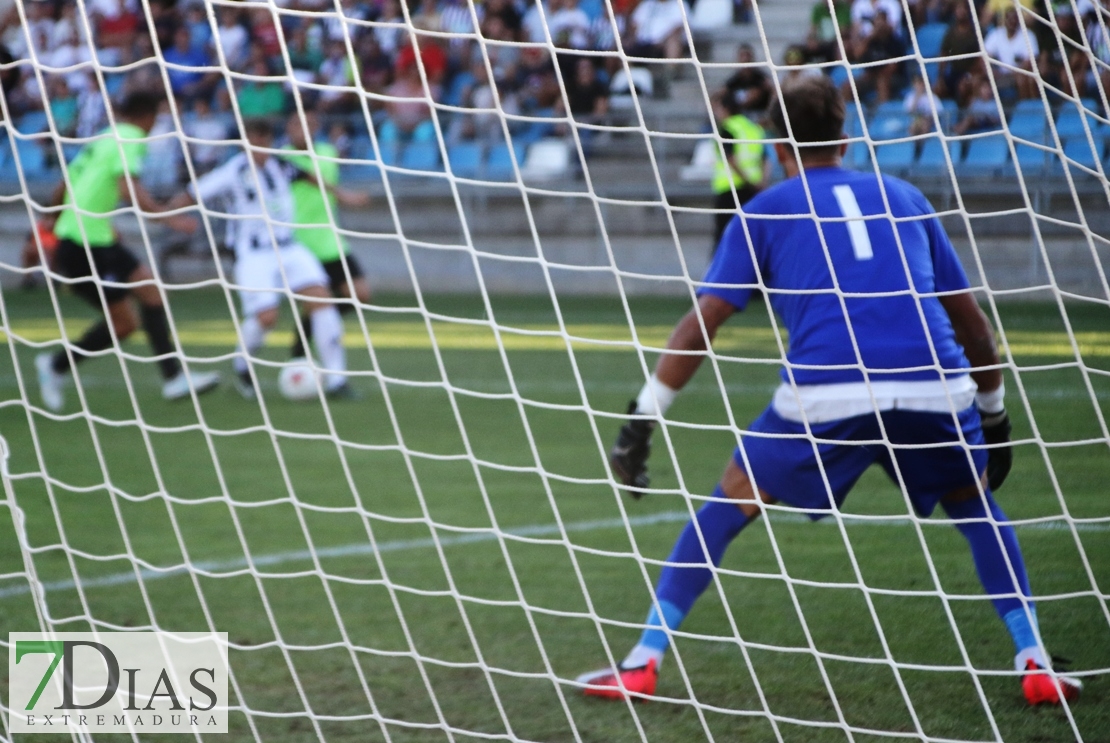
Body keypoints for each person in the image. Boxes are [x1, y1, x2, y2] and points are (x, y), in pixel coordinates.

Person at [576, 75, 1082, 709]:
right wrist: (994, 418)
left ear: (779, 146)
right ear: (846, 139)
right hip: (935, 383)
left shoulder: (761, 209)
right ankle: (1033, 659)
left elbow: (700, 324)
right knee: (976, 507)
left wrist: (640, 421)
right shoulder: (905, 195)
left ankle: (642, 662)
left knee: (728, 505)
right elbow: (974, 326)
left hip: (827, 389)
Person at [34, 91, 220, 412]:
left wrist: (54, 217)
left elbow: (64, 183)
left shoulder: (105, 137)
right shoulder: (131, 137)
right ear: (148, 117)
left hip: (94, 238)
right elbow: (127, 187)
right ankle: (54, 365)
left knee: (151, 293)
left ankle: (174, 377)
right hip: (84, 246)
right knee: (124, 324)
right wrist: (167, 217)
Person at [168, 119, 354, 400]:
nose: (261, 143)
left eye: (265, 137)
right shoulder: (232, 171)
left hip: (289, 246)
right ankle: (242, 364)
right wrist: (165, 214)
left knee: (322, 298)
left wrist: (341, 194)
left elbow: (309, 177)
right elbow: (193, 193)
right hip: (253, 252)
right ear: (245, 139)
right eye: (256, 137)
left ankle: (337, 381)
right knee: (267, 317)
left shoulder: (281, 165)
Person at [281, 111, 372, 361]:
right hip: (300, 241)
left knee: (360, 294)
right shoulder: (281, 158)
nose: (301, 129)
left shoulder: (328, 153)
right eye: (295, 124)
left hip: (330, 238)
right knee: (315, 300)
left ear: (315, 127)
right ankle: (300, 353)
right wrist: (347, 196)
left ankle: (305, 339)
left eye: (307, 124)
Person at [709, 95, 766, 251]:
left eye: (718, 108)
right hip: (753, 190)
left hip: (729, 189)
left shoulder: (727, 128)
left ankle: (721, 274)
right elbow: (765, 158)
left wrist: (747, 180)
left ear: (726, 109)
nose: (715, 112)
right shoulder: (753, 128)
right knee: (751, 238)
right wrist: (761, 182)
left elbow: (730, 159)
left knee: (724, 238)